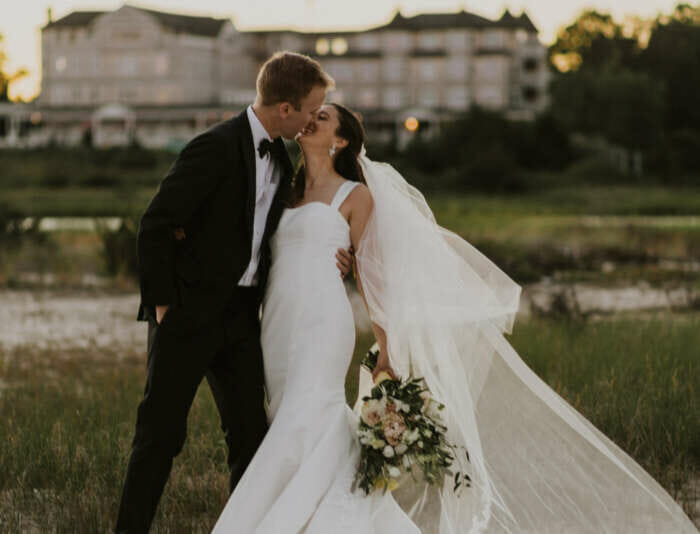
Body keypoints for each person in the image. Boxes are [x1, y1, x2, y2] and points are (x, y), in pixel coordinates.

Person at [212, 103, 699, 533]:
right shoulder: (285, 189)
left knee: (306, 408)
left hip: (322, 323)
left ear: (339, 140)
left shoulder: (356, 197)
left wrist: (387, 349)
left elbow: (371, 277)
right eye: (310, 116)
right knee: (282, 414)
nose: (309, 122)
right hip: (276, 322)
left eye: (321, 118)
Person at [115, 52, 353, 534]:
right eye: (311, 109)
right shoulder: (215, 147)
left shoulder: (285, 160)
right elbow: (156, 225)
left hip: (242, 320)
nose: (312, 120)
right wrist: (164, 306)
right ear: (285, 108)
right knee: (160, 436)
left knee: (250, 437)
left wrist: (338, 254)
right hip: (185, 315)